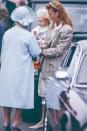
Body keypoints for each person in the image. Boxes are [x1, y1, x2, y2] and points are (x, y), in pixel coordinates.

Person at [29, 0, 73, 129]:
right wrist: (43, 43)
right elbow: (48, 42)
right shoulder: (53, 26)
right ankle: (43, 121)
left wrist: (42, 50)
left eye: (51, 14)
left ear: (58, 13)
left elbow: (60, 50)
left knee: (54, 98)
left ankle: (54, 124)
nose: (50, 16)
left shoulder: (67, 29)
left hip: (56, 68)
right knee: (44, 97)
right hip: (45, 66)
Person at [0, 6, 41, 131]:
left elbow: (3, 51)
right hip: (22, 70)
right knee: (21, 95)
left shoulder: (7, 33)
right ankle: (16, 122)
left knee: (7, 95)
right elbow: (35, 53)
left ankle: (6, 120)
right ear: (27, 20)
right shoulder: (28, 35)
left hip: (7, 68)